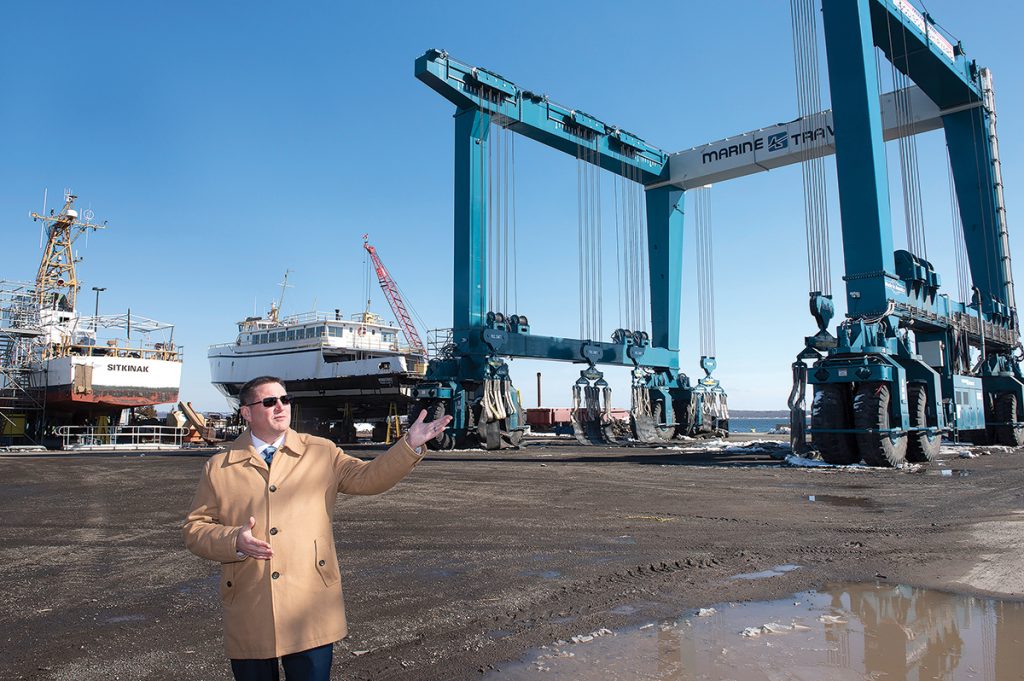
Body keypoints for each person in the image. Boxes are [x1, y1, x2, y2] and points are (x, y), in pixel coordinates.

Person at [183, 375, 451, 681]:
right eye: (269, 401)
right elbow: (195, 529)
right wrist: (234, 540)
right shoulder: (219, 467)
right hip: (250, 603)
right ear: (246, 412)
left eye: (284, 400)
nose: (281, 407)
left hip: (309, 603)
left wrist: (409, 445)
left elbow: (369, 477)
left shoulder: (321, 452)